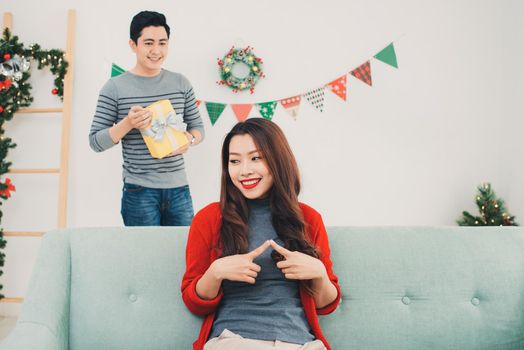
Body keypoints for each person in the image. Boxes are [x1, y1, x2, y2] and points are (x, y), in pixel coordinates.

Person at [181, 118, 341, 350]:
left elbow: (325, 305)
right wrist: (215, 272)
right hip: (233, 341)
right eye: (234, 161)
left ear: (278, 160)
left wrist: (319, 273)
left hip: (301, 344)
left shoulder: (308, 218)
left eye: (256, 158)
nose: (244, 171)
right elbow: (194, 303)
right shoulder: (208, 219)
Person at [89, 10, 204, 226]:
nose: (156, 50)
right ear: (133, 45)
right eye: (148, 43)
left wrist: (189, 140)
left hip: (179, 189)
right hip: (138, 191)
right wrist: (127, 124)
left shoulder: (181, 83)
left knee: (182, 256)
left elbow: (199, 129)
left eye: (163, 43)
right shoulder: (114, 87)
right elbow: (95, 142)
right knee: (145, 258)